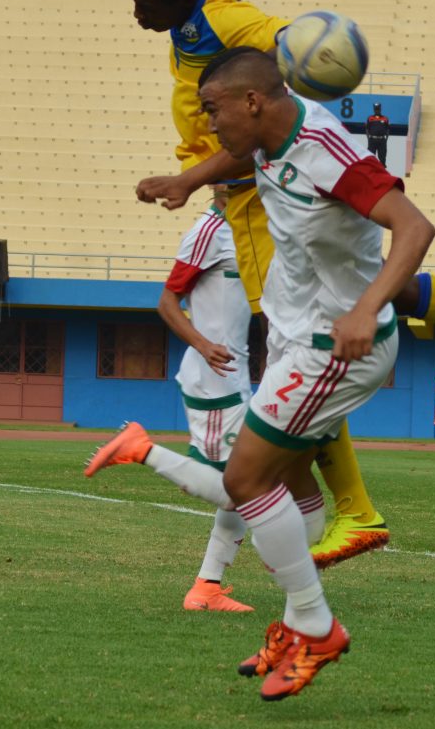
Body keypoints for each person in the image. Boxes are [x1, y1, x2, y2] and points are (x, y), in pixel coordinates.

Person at [88, 48, 435, 700]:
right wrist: (189, 179)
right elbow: (248, 157)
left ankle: (316, 624)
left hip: (334, 346)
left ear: (251, 101)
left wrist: (366, 309)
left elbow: (414, 226)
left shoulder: (327, 151)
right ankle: (295, 622)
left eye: (213, 110)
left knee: (244, 478)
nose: (208, 124)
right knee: (287, 481)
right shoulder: (273, 133)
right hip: (293, 336)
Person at [130, 0, 390, 568]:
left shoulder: (222, 17)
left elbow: (282, 66)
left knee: (298, 349)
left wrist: (193, 177)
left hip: (254, 204)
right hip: (242, 192)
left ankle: (356, 509)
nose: (135, 13)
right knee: (292, 350)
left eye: (143, 3)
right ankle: (312, 504)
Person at [157, 186, 256, 613]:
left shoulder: (248, 230)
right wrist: (201, 343)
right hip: (213, 381)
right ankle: (142, 451)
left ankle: (207, 588)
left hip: (237, 378)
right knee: (242, 491)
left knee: (249, 487)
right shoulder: (208, 230)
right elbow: (166, 301)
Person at [365, 103, 390, 168]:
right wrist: (369, 139)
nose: (377, 110)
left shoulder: (385, 118)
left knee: (382, 158)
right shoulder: (370, 118)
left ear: (380, 109)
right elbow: (367, 129)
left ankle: (382, 173)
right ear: (374, 110)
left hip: (382, 140)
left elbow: (387, 130)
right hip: (372, 140)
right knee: (371, 157)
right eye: (376, 109)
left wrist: (385, 140)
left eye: (378, 109)